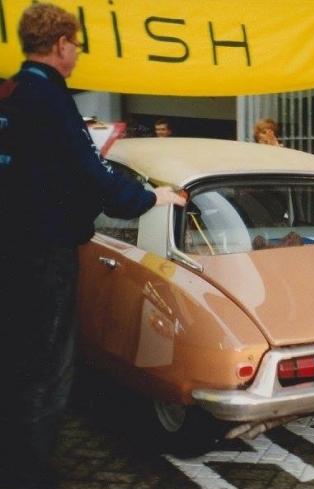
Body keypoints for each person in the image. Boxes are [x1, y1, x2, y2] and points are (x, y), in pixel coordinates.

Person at [0, 4, 186, 487]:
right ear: (60, 44)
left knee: (15, 359)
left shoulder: (10, 92)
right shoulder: (51, 99)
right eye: (77, 45)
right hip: (46, 252)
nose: (78, 54)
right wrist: (151, 197)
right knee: (47, 368)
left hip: (11, 247)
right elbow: (92, 174)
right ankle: (26, 472)